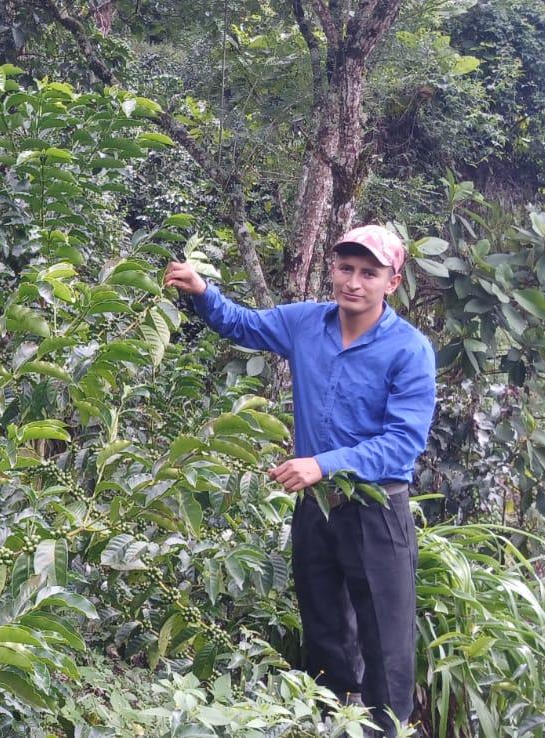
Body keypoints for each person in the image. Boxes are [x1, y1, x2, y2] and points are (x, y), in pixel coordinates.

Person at [163, 225, 437, 737]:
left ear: (392, 282)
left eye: (368, 273)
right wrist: (203, 292)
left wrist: (324, 462)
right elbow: (243, 324)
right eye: (345, 269)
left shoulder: (409, 350)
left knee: (385, 643)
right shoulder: (307, 323)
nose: (353, 282)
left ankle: (391, 730)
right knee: (324, 632)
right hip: (318, 507)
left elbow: (402, 443)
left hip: (377, 511)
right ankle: (328, 724)